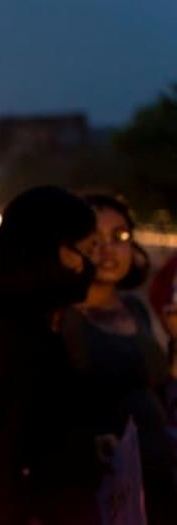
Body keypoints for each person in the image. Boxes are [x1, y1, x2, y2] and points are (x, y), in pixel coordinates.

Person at [0, 186, 102, 524]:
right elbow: (10, 460)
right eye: (84, 250)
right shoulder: (19, 342)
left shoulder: (29, 326)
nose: (88, 263)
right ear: (48, 251)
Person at [61, 194, 177, 524]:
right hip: (103, 488)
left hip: (155, 471)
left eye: (120, 236)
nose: (108, 250)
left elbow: (158, 384)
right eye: (93, 239)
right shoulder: (61, 318)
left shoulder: (134, 307)